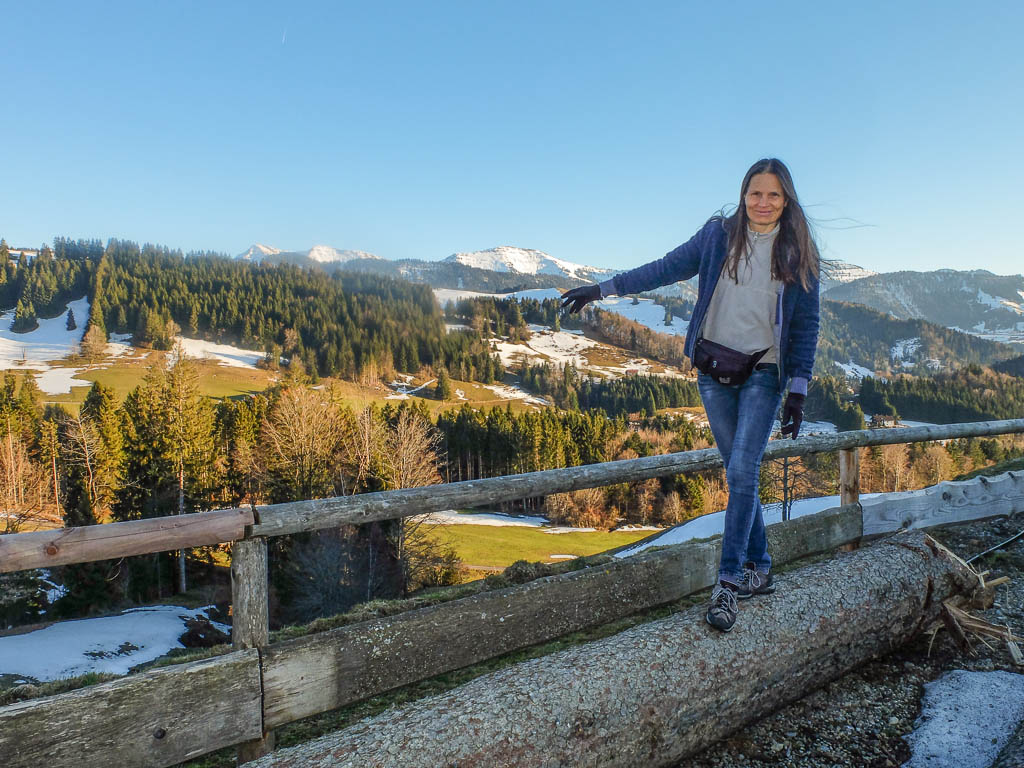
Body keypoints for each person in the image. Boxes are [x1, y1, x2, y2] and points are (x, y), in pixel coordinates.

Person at [561, 158, 820, 632]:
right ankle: (761, 567)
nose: (763, 203)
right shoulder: (718, 236)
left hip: (764, 371)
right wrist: (601, 289)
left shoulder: (798, 251)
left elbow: (806, 326)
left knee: (742, 471)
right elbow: (663, 269)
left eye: (774, 195)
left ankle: (728, 584)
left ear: (787, 200)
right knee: (740, 474)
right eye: (756, 193)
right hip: (712, 368)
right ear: (743, 195)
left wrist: (797, 391)